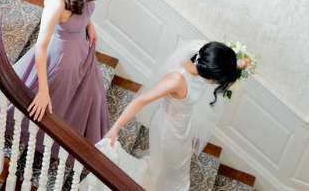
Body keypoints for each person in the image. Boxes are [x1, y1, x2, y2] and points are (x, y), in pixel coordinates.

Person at [0, 0, 118, 158]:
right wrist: (43, 91)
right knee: (59, 105)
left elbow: (83, 6)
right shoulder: (58, 0)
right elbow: (41, 47)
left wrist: (89, 23)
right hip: (61, 62)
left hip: (81, 49)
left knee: (88, 96)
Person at [96, 41, 244, 190]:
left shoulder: (206, 55)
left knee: (179, 162)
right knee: (166, 165)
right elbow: (141, 100)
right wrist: (115, 128)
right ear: (209, 72)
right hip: (168, 131)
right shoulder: (176, 80)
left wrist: (238, 64)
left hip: (183, 124)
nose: (213, 83)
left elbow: (221, 60)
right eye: (215, 80)